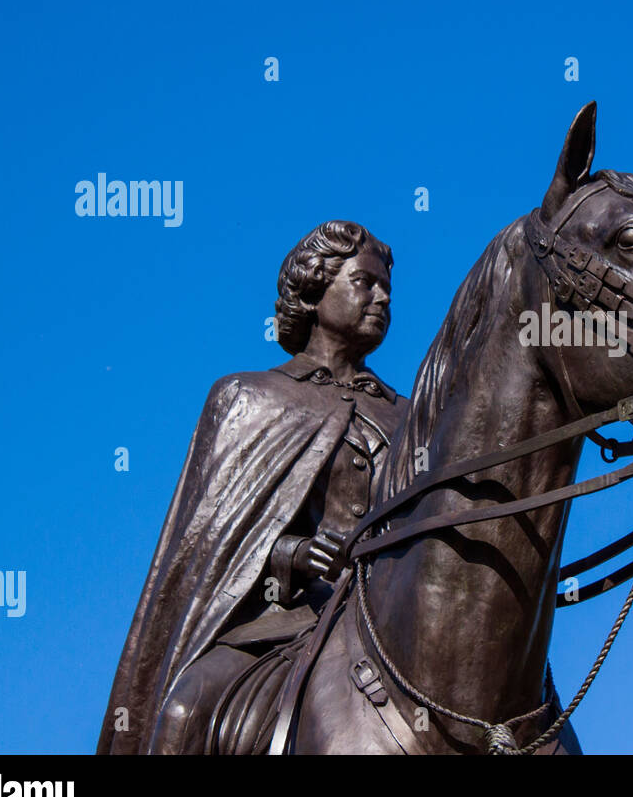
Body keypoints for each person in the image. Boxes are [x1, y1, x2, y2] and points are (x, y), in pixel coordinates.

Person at [98, 221, 406, 754]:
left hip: (393, 622)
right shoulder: (250, 397)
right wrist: (294, 554)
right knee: (183, 709)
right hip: (284, 622)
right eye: (364, 283)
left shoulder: (410, 414)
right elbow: (211, 545)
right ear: (313, 291)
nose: (381, 298)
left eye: (386, 289)